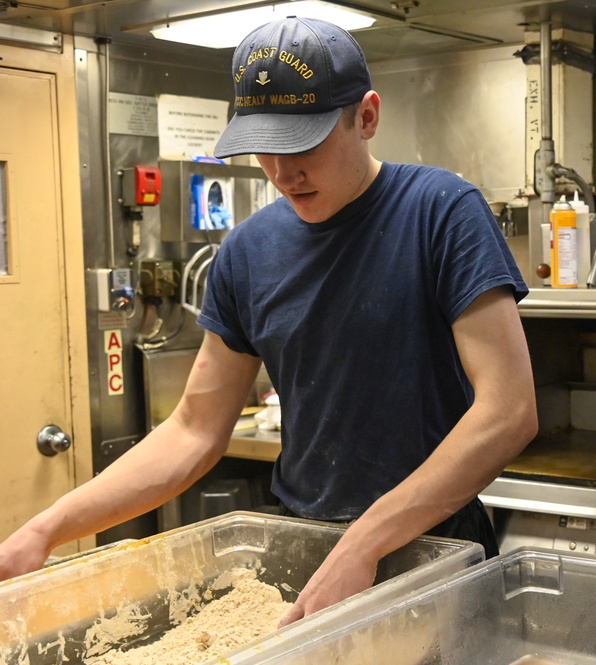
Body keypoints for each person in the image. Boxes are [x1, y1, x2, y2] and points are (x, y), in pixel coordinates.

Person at [0, 16, 538, 627]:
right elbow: (195, 431)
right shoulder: (249, 252)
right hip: (306, 553)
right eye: (266, 147)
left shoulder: (441, 212)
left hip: (435, 552)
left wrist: (365, 542)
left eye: (303, 143)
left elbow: (509, 411)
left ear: (365, 116)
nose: (282, 172)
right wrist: (45, 530)